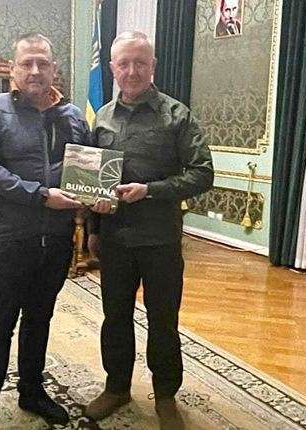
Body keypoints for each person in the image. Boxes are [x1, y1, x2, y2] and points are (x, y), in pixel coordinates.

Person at [85, 31, 214, 430]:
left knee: (163, 321)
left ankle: (166, 396)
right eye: (123, 63)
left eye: (140, 62)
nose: (132, 71)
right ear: (112, 68)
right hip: (115, 239)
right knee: (114, 317)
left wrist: (151, 190)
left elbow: (203, 174)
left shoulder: (177, 116)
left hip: (160, 239)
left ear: (153, 66)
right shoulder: (101, 118)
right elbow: (92, 180)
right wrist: (93, 227)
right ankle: (116, 388)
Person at [0, 32, 90, 430]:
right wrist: (40, 196)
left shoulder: (73, 116)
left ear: (54, 69)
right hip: (8, 241)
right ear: (12, 70)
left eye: (43, 63)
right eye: (27, 63)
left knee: (39, 320)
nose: (35, 70)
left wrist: (97, 197)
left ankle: (32, 392)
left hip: (56, 241)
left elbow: (87, 172)